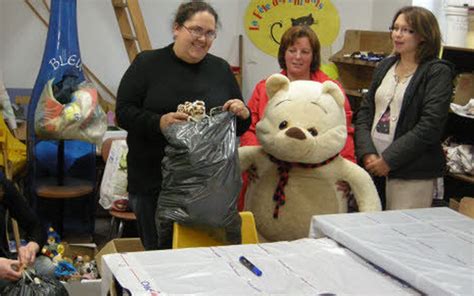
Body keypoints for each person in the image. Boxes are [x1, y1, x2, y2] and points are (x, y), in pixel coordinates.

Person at [116, 1, 251, 250]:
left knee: (204, 261)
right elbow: (123, 113)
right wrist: (159, 122)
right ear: (177, 28)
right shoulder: (147, 64)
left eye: (210, 33)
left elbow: (239, 127)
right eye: (196, 30)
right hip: (153, 184)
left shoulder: (220, 69)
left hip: (208, 190)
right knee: (160, 258)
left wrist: (242, 114)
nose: (203, 38)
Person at [238, 25, 355, 211]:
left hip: (316, 176)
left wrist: (347, 171)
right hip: (271, 173)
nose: (297, 57)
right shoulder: (266, 87)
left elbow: (344, 131)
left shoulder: (329, 89)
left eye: (305, 51)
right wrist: (253, 162)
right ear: (283, 53)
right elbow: (251, 128)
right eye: (292, 50)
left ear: (313, 56)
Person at [354, 6, 453, 210]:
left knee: (399, 235)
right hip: (372, 166)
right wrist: (367, 153)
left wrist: (389, 160)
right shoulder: (385, 66)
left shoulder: (437, 72)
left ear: (424, 36)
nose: (397, 35)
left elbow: (430, 125)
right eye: (395, 28)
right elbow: (365, 112)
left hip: (411, 173)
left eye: (407, 30)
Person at [0, 172, 47, 285]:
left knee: (46, 267)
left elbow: (35, 226)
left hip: (4, 266)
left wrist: (32, 247)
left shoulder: (2, 185)